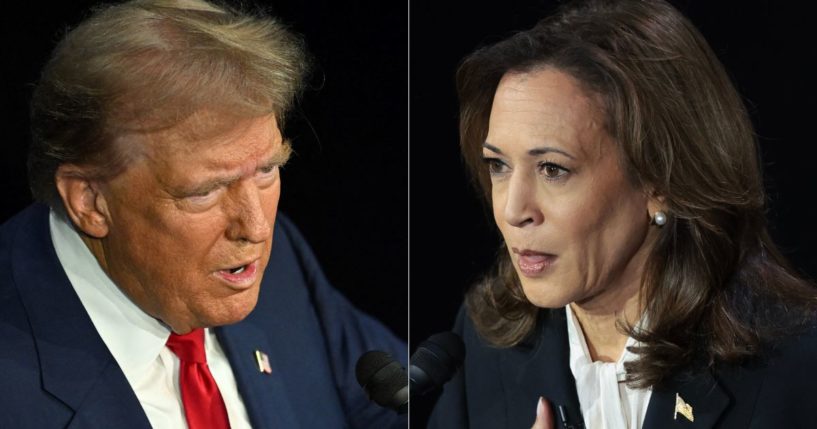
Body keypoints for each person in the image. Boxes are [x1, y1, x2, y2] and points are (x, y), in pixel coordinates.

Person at [0, 0, 406, 428]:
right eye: (205, 191)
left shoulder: (275, 263)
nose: (256, 227)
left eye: (267, 170)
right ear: (90, 201)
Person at [427, 0, 817, 428]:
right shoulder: (487, 342)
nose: (512, 209)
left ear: (661, 182)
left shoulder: (794, 364)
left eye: (553, 169)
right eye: (498, 166)